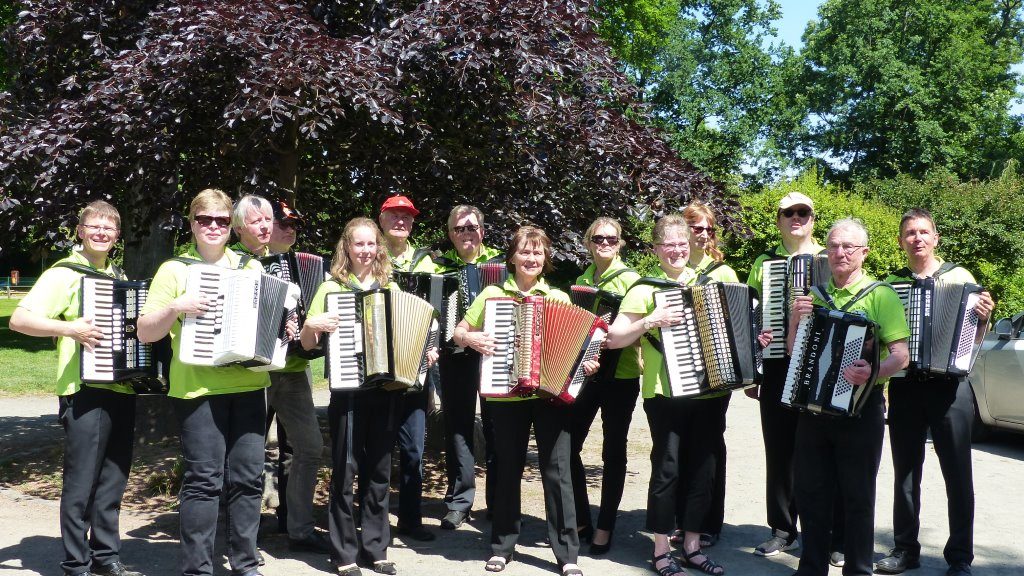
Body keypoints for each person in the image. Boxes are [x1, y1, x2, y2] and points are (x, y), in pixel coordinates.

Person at [606, 214, 768, 576]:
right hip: (664, 394)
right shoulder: (644, 289)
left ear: (691, 244)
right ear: (656, 249)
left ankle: (692, 545)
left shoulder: (713, 281)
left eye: (682, 243)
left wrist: (752, 344)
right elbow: (614, 338)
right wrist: (650, 321)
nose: (677, 250)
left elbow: (739, 327)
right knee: (667, 470)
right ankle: (661, 550)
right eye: (669, 245)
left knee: (703, 470)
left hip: (710, 392)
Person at [138, 189, 279, 576]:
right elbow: (146, 332)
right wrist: (174, 307)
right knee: (203, 482)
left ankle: (245, 562)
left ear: (231, 227)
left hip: (249, 386)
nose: (213, 226)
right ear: (193, 224)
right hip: (197, 391)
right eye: (205, 220)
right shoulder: (174, 270)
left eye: (221, 220)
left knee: (249, 479)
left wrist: (286, 327)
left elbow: (269, 325)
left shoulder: (251, 267)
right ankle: (197, 568)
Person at [10, 201, 144, 576]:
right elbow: (20, 319)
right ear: (80, 231)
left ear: (118, 235)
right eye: (94, 226)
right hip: (83, 388)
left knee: (114, 477)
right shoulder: (63, 274)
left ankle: (105, 556)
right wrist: (71, 329)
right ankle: (75, 561)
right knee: (82, 480)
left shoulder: (118, 274)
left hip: (121, 388)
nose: (101, 233)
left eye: (109, 228)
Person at [452, 225, 594, 576]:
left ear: (545, 258)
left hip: (550, 396)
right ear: (512, 256)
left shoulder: (558, 298)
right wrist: (475, 340)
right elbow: (459, 330)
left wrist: (586, 363)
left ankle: (567, 555)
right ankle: (502, 545)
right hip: (506, 395)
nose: (531, 258)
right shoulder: (492, 294)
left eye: (538, 252)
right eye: (525, 252)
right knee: (507, 467)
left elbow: (580, 347)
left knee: (557, 471)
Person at [299, 217, 437, 576]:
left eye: (370, 244)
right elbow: (307, 344)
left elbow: (422, 331)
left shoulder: (390, 289)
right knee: (345, 472)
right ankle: (343, 553)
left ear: (378, 248)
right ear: (346, 248)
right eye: (357, 244)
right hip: (348, 394)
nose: (365, 250)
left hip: (387, 392)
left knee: (378, 471)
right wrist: (312, 327)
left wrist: (426, 352)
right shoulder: (330, 290)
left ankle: (376, 548)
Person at [787, 217, 910, 576]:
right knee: (810, 495)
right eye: (834, 246)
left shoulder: (881, 295)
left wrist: (872, 373)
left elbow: (900, 355)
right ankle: (811, 569)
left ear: (864, 253)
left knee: (858, 497)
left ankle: (858, 569)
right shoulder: (815, 295)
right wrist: (795, 320)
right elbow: (796, 351)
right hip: (813, 410)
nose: (840, 253)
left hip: (861, 411)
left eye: (849, 247)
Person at [876, 209, 993, 576]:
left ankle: (960, 557)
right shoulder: (890, 284)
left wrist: (985, 318)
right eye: (910, 233)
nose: (917, 238)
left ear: (936, 237)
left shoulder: (960, 277)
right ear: (900, 241)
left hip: (950, 389)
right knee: (906, 474)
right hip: (906, 387)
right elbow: (881, 339)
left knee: (958, 475)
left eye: (924, 232)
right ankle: (904, 549)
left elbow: (973, 341)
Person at [745, 192, 825, 558]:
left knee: (819, 451)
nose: (796, 218)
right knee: (778, 450)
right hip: (776, 365)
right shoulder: (765, 261)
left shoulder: (830, 256)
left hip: (818, 365)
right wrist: (754, 365)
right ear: (778, 220)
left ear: (813, 219)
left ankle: (822, 531)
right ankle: (781, 528)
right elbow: (749, 311)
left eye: (803, 212)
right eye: (788, 212)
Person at [568, 217, 642, 555]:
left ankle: (606, 526)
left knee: (614, 452)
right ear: (588, 242)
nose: (605, 243)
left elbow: (639, 327)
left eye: (612, 239)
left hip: (621, 377)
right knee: (566, 447)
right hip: (585, 376)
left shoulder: (633, 281)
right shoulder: (582, 280)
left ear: (620, 242)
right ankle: (583, 518)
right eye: (598, 238)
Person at [673, 202, 741, 549]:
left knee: (710, 447)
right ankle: (682, 520)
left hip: (715, 369)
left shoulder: (723, 273)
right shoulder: (673, 270)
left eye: (708, 229)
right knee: (680, 446)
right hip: (678, 366)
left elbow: (737, 323)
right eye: (696, 228)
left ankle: (707, 522)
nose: (702, 234)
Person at [263, 199, 330, 553]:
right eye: (283, 223)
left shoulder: (310, 267)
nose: (290, 230)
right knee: (240, 453)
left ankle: (299, 529)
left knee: (309, 448)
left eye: (294, 225)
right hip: (254, 374)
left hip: (294, 371)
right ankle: (235, 528)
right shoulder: (244, 262)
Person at [433, 205, 503, 530]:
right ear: (450, 234)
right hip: (455, 356)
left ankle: (499, 501)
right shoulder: (441, 270)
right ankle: (460, 502)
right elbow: (433, 314)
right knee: (458, 426)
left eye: (472, 227)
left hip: (494, 357)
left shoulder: (500, 266)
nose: (466, 233)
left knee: (497, 427)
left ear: (482, 231)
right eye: (459, 228)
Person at [378, 194, 438, 542]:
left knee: (414, 449)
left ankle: (411, 521)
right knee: (379, 448)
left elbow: (435, 315)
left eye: (407, 217)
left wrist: (431, 350)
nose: (401, 221)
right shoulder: (371, 258)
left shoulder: (425, 263)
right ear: (382, 219)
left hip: (416, 369)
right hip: (380, 369)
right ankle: (375, 520)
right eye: (394, 216)